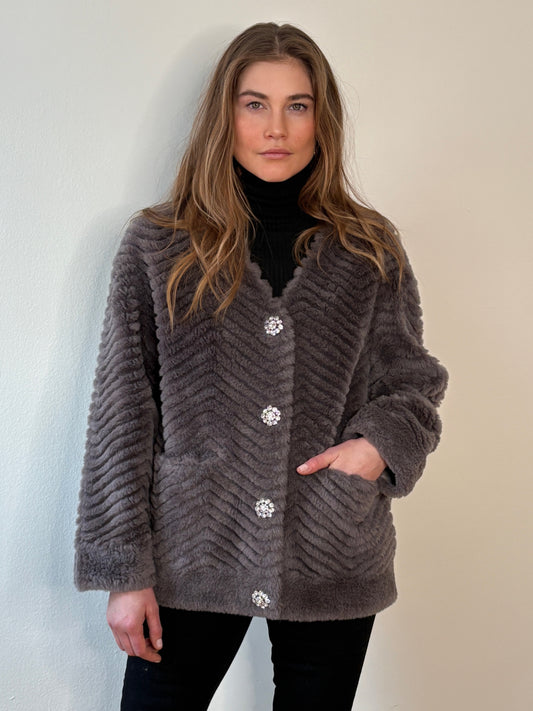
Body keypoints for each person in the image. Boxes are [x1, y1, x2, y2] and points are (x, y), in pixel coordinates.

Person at [74, 21, 448, 711]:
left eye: (297, 105)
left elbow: (412, 380)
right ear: (225, 115)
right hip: (193, 547)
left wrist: (375, 448)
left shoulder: (367, 248)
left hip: (330, 543)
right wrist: (125, 570)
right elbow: (123, 408)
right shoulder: (161, 244)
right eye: (255, 104)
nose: (276, 127)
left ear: (321, 119)